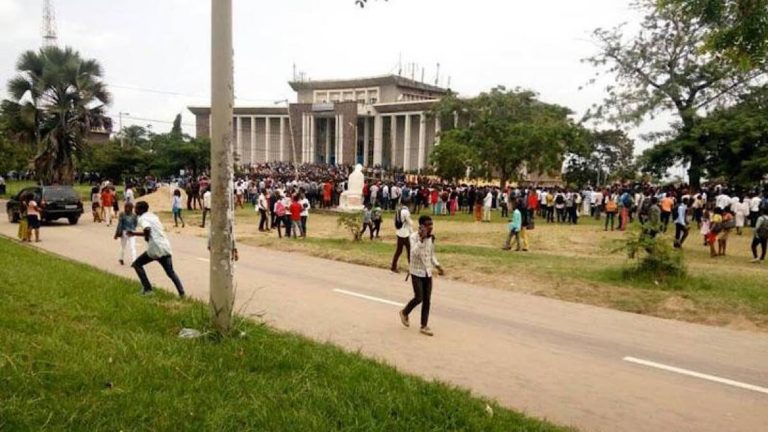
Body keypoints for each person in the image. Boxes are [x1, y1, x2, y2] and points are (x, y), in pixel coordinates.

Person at [127, 201, 185, 297]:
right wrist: (134, 234)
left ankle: (148, 289)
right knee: (170, 272)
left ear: (141, 210)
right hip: (165, 246)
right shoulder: (153, 216)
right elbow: (152, 231)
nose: (135, 210)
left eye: (136, 208)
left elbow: (147, 229)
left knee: (137, 264)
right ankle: (182, 293)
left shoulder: (142, 218)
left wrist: (146, 238)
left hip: (155, 248)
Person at [398, 215, 444, 337]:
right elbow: (414, 253)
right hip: (416, 272)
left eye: (431, 224)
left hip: (427, 272)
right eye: (428, 224)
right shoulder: (413, 237)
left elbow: (431, 254)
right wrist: (421, 240)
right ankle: (404, 312)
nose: (431, 227)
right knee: (419, 297)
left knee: (427, 300)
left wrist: (438, 266)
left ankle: (424, 326)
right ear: (421, 226)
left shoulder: (431, 238)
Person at [391, 203, 413, 273]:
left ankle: (393, 266)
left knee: (399, 251)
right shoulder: (406, 211)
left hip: (399, 232)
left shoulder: (398, 210)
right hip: (404, 234)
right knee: (408, 250)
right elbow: (410, 223)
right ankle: (412, 268)